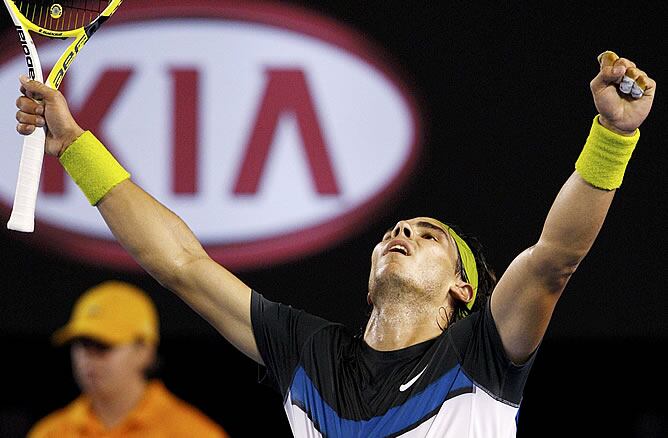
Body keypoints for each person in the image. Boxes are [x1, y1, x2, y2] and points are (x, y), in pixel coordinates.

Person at [13, 50, 655, 437]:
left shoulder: (486, 351)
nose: (402, 231)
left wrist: (611, 136)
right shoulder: (307, 352)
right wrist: (73, 144)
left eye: (429, 236)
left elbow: (555, 259)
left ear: (464, 287)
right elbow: (180, 264)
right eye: (397, 229)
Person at [27, 281, 229, 438]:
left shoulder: (192, 433)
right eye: (82, 343)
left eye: (103, 345)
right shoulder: (50, 432)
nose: (89, 357)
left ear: (144, 350)